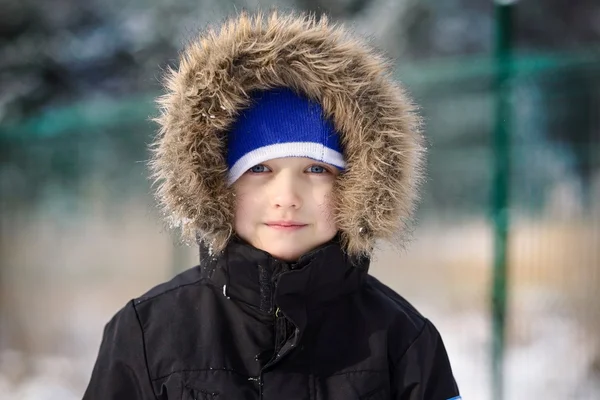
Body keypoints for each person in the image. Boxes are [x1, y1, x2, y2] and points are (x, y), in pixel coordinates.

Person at [83, 11, 461, 400]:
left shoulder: (403, 340)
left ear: (360, 184)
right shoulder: (147, 333)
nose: (287, 197)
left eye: (316, 169)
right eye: (259, 168)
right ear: (213, 182)